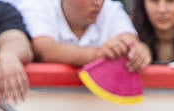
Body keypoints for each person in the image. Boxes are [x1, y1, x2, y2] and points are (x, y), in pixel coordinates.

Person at [19, 0, 149, 70]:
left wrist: (137, 52)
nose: (98, 3)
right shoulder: (37, 5)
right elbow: (44, 49)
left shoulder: (111, 8)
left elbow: (129, 41)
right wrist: (96, 55)